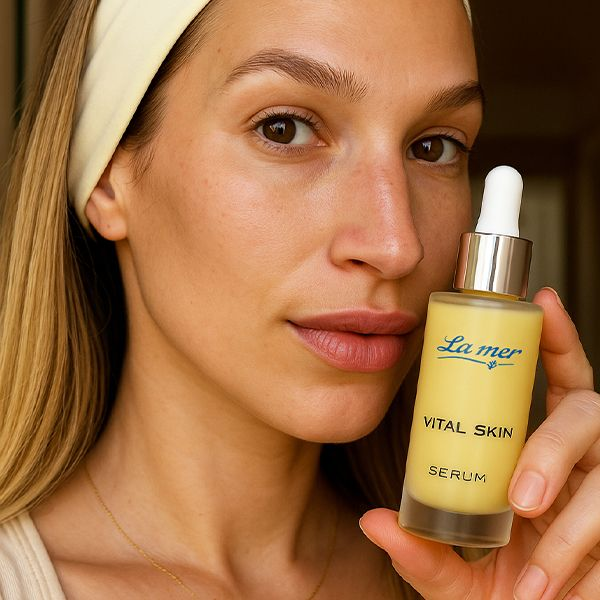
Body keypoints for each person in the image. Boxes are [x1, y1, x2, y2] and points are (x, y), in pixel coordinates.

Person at [0, 0, 598, 597]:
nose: (397, 246)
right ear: (110, 177)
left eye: (434, 147)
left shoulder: (485, 583)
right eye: (283, 129)